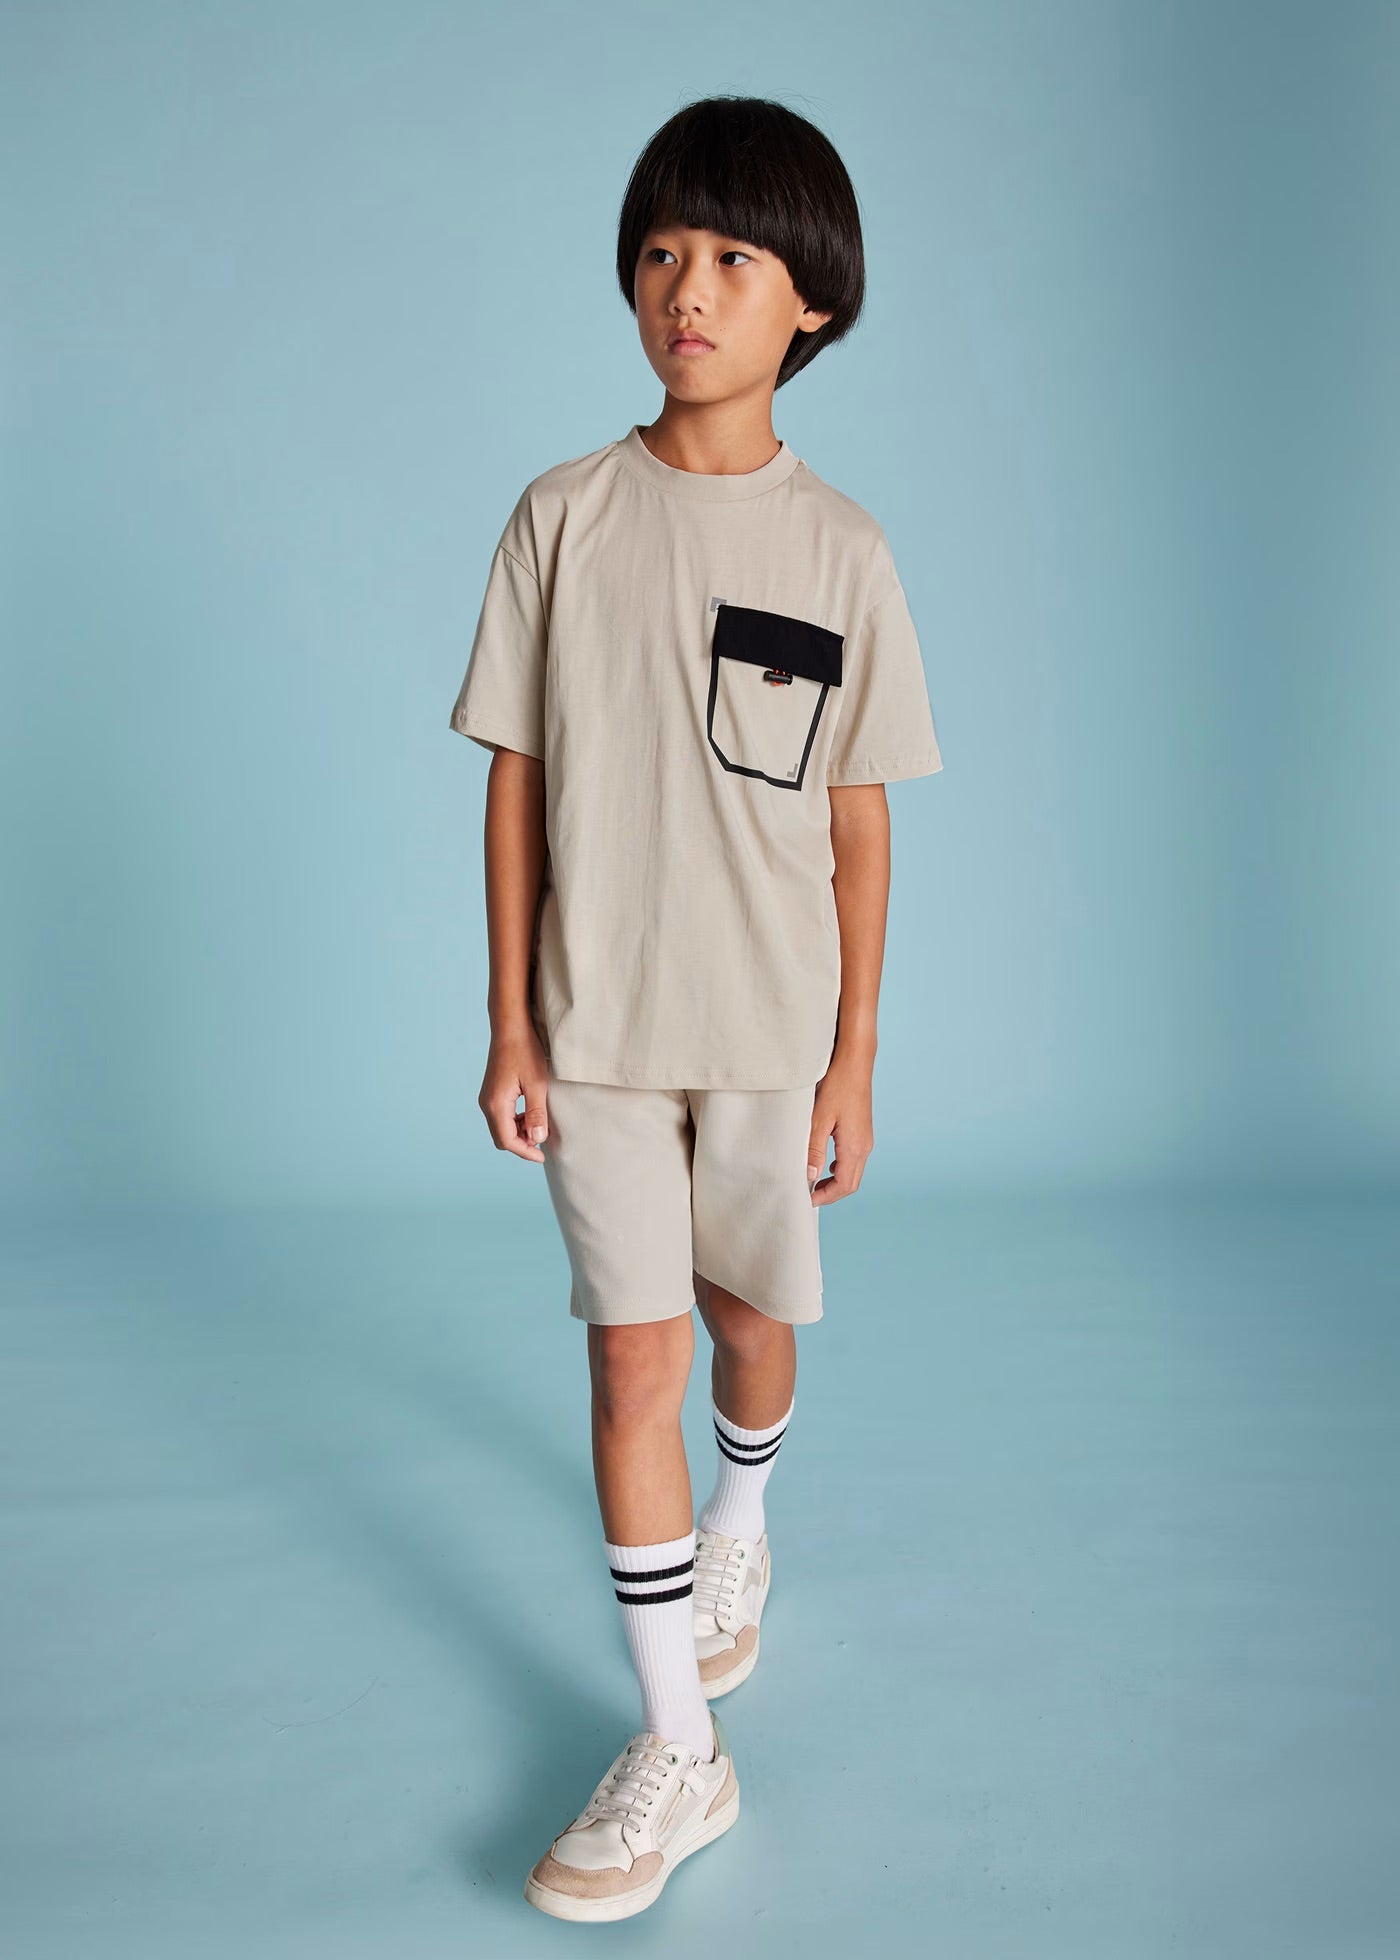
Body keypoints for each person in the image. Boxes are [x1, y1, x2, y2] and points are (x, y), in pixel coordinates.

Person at [448, 94, 943, 1923]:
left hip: (766, 1037)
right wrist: (511, 1023)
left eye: (734, 257)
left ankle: (742, 1522)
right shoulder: (561, 516)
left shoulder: (845, 551)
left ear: (813, 301)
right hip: (592, 1032)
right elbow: (514, 783)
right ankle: (678, 1746)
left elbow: (861, 823)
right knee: (628, 1357)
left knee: (746, 1329)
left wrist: (856, 1057)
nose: (689, 287)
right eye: (662, 251)